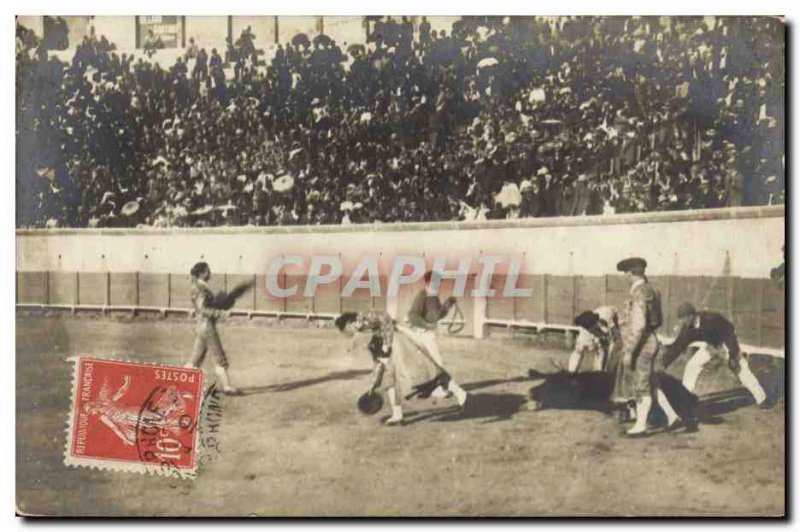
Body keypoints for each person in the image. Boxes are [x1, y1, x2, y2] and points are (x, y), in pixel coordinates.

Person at [335, 310, 465, 425]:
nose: (347, 334)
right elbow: (377, 360)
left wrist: (386, 343)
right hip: (391, 347)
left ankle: (461, 394)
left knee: (428, 369)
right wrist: (374, 383)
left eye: (346, 330)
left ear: (349, 323)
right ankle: (397, 415)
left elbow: (385, 317)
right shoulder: (363, 332)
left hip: (399, 342)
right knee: (389, 379)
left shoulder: (364, 317)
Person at [616, 257, 685, 436]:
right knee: (653, 382)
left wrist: (630, 351)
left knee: (642, 384)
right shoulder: (653, 290)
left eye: (626, 273)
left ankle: (640, 425)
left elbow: (638, 325)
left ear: (630, 273)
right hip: (650, 338)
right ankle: (672, 416)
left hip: (642, 343)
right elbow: (658, 319)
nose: (625, 277)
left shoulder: (639, 292)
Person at [662, 302, 773, 409]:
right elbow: (678, 346)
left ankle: (762, 399)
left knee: (741, 369)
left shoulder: (711, 318)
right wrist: (664, 363)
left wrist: (733, 355)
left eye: (683, 318)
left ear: (691, 316)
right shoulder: (688, 328)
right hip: (711, 346)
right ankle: (685, 400)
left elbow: (729, 331)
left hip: (726, 343)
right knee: (692, 365)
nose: (682, 322)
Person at [184, 262, 243, 396]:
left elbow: (204, 306)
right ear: (203, 273)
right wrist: (220, 313)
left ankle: (181, 386)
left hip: (200, 326)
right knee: (219, 357)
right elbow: (202, 308)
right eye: (208, 270)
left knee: (195, 359)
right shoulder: (201, 288)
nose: (210, 273)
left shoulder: (197, 287)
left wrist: (219, 304)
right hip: (207, 326)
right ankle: (227, 386)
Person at [405, 271, 463, 400]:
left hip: (428, 334)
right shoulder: (422, 295)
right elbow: (413, 315)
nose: (438, 286)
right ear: (427, 283)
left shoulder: (434, 297)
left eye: (439, 284)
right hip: (420, 334)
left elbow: (437, 315)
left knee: (435, 362)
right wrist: (426, 325)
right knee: (434, 363)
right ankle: (436, 389)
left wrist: (448, 303)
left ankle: (434, 389)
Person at [569, 306, 619, 373]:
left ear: (597, 323)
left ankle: (598, 374)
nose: (593, 333)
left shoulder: (606, 315)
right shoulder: (586, 328)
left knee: (602, 350)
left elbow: (616, 334)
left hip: (614, 323)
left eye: (594, 330)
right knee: (579, 348)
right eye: (590, 331)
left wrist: (608, 339)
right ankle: (571, 373)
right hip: (598, 327)